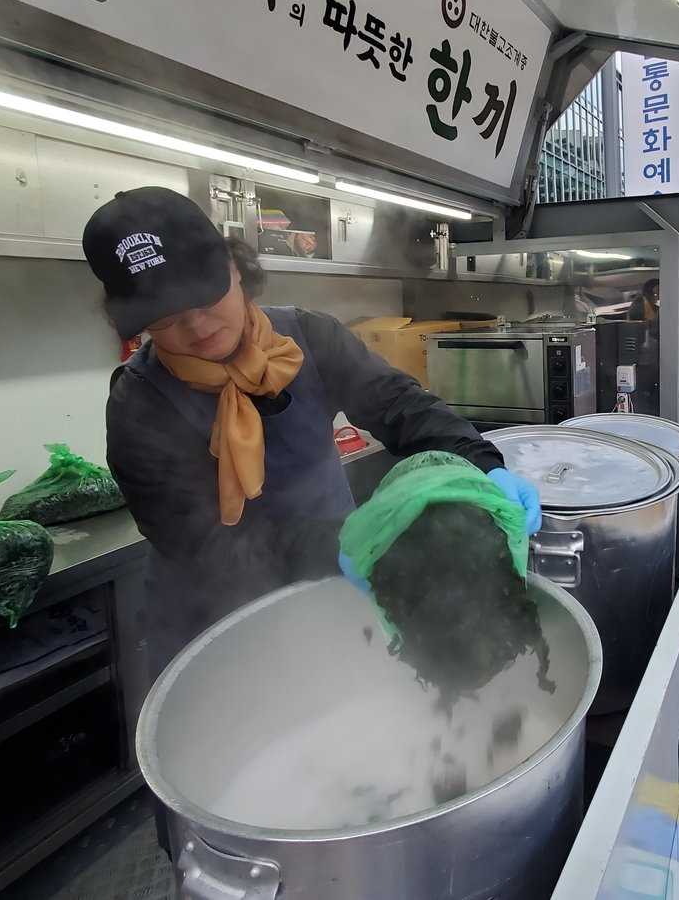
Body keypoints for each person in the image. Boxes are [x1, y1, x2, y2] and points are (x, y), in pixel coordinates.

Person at [82, 188, 543, 680]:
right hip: (215, 625)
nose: (196, 326)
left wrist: (482, 465)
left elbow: (402, 406)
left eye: (203, 294)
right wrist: (341, 547)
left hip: (339, 593)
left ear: (235, 267)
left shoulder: (309, 337)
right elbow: (201, 543)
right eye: (165, 317)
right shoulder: (140, 403)